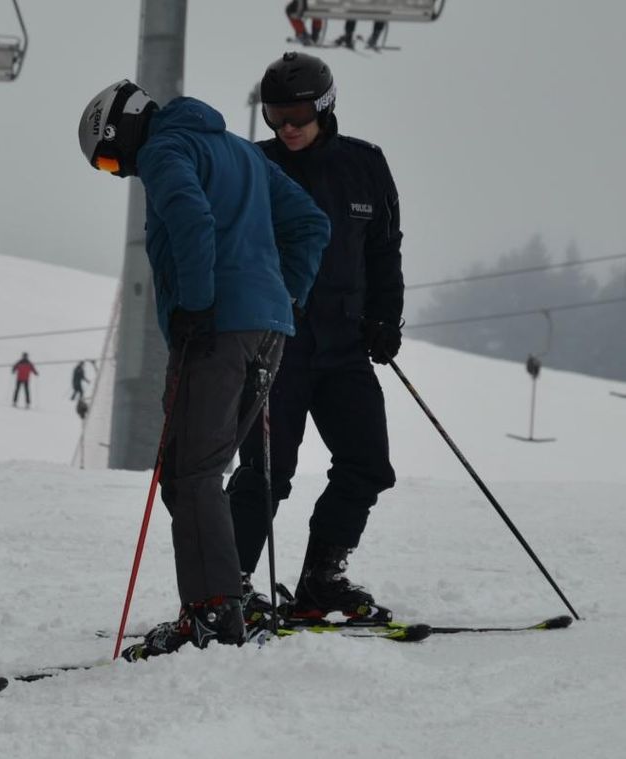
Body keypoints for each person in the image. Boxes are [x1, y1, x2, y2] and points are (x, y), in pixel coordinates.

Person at [78, 80, 328, 659]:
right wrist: (280, 296)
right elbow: (311, 223)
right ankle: (225, 600)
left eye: (112, 160)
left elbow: (190, 219)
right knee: (202, 470)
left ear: (124, 130)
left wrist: (198, 303)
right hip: (268, 331)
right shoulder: (239, 150)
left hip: (218, 331)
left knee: (190, 474)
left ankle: (213, 614)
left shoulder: (165, 151)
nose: (121, 174)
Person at [226, 52, 404, 628]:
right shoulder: (253, 166)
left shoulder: (365, 165)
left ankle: (321, 579)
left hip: (347, 345)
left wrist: (384, 317)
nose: (287, 128)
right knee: (266, 471)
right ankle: (227, 589)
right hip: (278, 346)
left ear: (324, 107)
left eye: (297, 114)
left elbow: (383, 249)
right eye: (276, 116)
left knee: (367, 463)